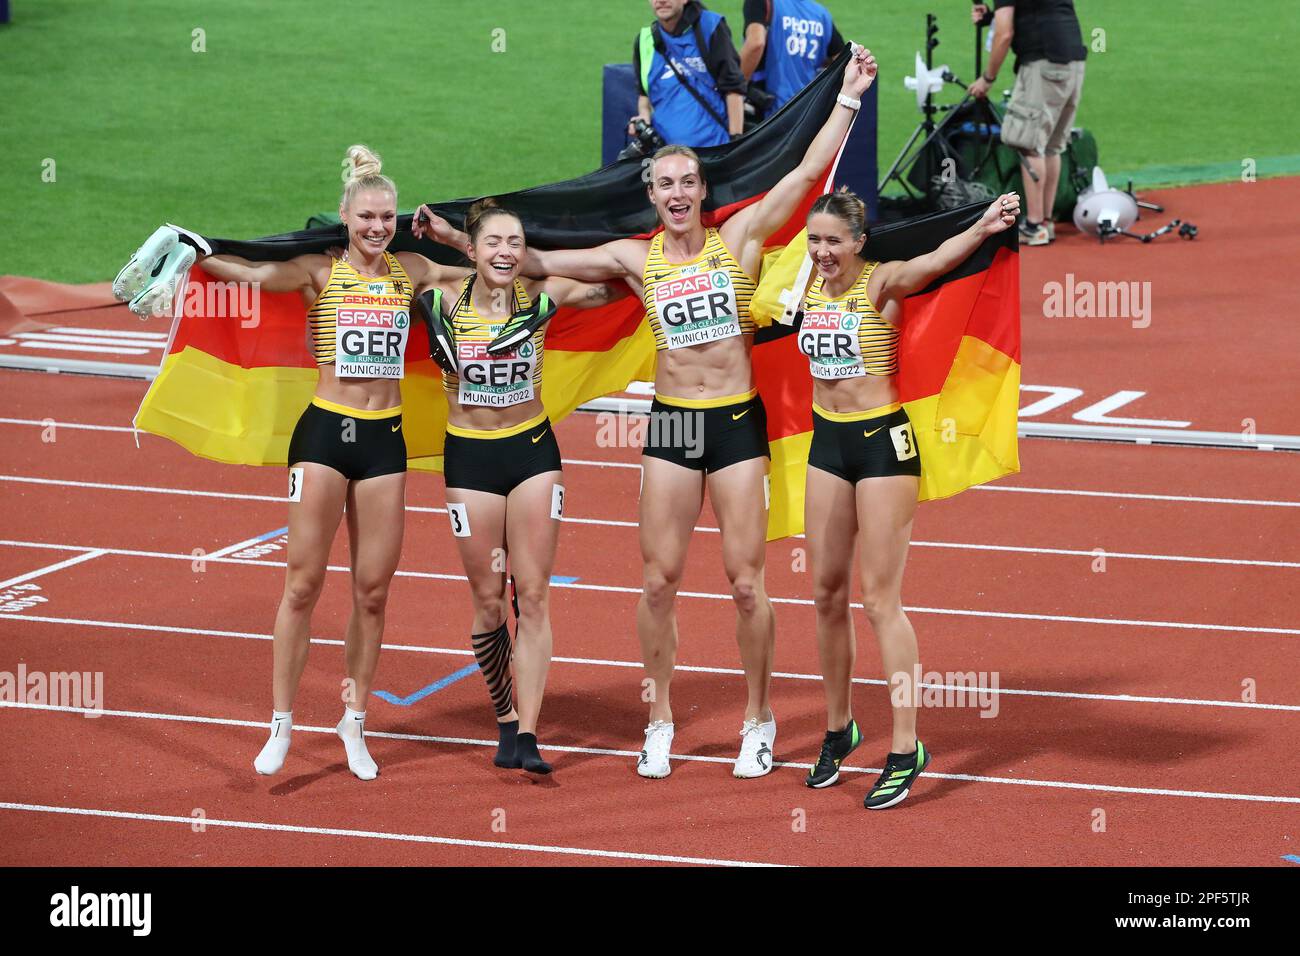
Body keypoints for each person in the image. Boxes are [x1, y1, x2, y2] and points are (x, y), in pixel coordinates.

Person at [426, 46, 878, 780]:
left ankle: (758, 720)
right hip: (671, 424)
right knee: (658, 581)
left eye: (687, 182)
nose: (676, 192)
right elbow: (536, 262)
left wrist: (850, 96)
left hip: (734, 423)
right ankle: (660, 718)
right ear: (652, 193)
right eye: (664, 183)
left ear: (702, 191)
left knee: (744, 582)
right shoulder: (635, 260)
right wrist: (457, 242)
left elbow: (801, 176)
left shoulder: (740, 241)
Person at [117, 145, 474, 780]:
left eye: (386, 217)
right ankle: (280, 723)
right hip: (324, 436)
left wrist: (451, 235)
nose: (375, 227)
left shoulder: (414, 270)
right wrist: (200, 249)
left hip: (384, 440)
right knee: (303, 585)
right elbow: (250, 275)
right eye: (365, 216)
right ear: (345, 215)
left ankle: (353, 721)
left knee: (371, 592)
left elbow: (492, 274)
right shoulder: (319, 270)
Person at [795, 186, 1020, 808]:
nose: (822, 251)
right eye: (814, 241)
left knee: (880, 601)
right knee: (824, 593)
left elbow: (939, 260)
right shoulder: (805, 282)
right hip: (826, 443)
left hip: (881, 445)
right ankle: (839, 729)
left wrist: (983, 225)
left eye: (833, 241)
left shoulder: (882, 282)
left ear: (858, 243)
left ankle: (905, 747)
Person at [411, 199, 620, 775]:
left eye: (515, 244)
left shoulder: (542, 296)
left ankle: (528, 733)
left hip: (532, 452)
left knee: (532, 593)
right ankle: (504, 717)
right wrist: (454, 239)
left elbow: (612, 283)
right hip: (470, 461)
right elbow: (377, 263)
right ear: (472, 251)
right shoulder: (440, 297)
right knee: (487, 600)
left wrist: (481, 246)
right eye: (493, 243)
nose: (506, 253)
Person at [969, 0, 1086, 245]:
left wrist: (987, 78)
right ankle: (1045, 222)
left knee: (1029, 145)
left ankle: (1034, 226)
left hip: (1043, 65)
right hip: (1073, 62)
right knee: (1052, 145)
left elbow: (1004, 34)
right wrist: (991, 17)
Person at [630, 0, 746, 148]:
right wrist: (643, 119)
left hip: (713, 149)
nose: (661, 1)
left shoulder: (710, 26)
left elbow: (733, 88)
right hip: (665, 155)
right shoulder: (644, 40)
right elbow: (644, 95)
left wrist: (735, 142)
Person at [740, 0, 846, 114]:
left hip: (770, 115)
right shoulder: (821, 14)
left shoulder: (762, 2)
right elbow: (844, 62)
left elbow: (755, 44)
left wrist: (733, 88)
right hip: (807, 112)